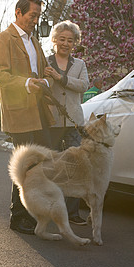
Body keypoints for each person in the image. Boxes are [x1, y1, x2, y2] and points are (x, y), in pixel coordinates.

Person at [0, 0, 55, 235]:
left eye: (38, 16)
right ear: (18, 12)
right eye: (32, 16)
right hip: (19, 112)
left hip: (39, 110)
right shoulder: (3, 39)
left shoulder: (35, 42)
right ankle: (18, 217)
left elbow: (41, 72)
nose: (36, 20)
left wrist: (46, 79)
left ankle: (31, 213)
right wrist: (27, 82)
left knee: (41, 162)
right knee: (26, 165)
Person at [44, 20, 89, 225]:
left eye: (70, 40)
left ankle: (72, 212)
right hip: (51, 122)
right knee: (50, 167)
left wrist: (61, 78)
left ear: (75, 43)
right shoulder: (45, 62)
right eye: (61, 39)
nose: (65, 43)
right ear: (54, 40)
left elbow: (84, 86)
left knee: (75, 168)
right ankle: (48, 210)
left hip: (73, 123)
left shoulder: (80, 64)